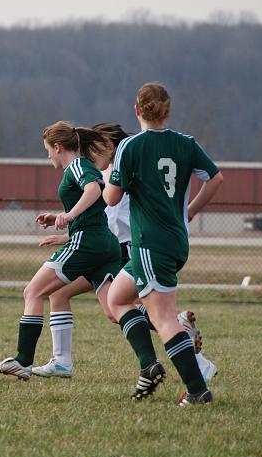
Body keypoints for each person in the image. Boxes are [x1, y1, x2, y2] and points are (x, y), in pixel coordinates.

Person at [33, 123, 218, 385]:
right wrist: (68, 235)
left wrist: (69, 232)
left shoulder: (117, 171)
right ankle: (61, 361)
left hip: (121, 250)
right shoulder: (123, 165)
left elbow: (108, 218)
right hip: (113, 248)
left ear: (107, 146)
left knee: (123, 308)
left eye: (92, 150)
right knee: (70, 295)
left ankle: (191, 353)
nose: (89, 157)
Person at [104, 83, 223, 406]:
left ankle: (198, 389)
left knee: (164, 318)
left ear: (136, 110)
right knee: (117, 299)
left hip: (148, 243)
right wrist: (191, 210)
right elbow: (216, 178)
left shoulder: (130, 146)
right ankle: (148, 363)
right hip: (175, 239)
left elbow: (111, 197)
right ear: (167, 110)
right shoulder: (186, 143)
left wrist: (111, 179)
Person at [0, 122, 121, 380]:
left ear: (58, 147)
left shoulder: (77, 166)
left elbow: (94, 190)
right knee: (116, 310)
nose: (48, 155)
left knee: (33, 291)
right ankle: (174, 325)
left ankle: (23, 362)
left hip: (88, 243)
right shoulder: (81, 167)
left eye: (47, 150)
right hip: (103, 243)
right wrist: (60, 221)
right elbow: (93, 209)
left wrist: (69, 214)